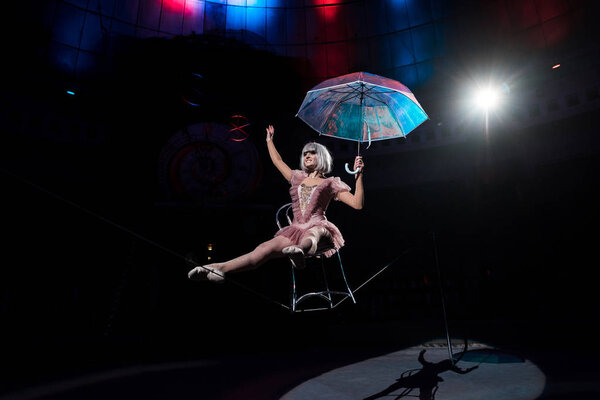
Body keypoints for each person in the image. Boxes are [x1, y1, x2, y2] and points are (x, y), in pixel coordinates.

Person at [187, 125, 364, 282]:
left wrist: (359, 175)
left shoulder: (331, 183)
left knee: (313, 233)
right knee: (264, 249)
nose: (307, 155)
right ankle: (219, 268)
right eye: (305, 153)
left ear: (323, 157)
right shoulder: (297, 178)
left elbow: (357, 204)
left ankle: (298, 253)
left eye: (312, 152)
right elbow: (278, 161)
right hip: (295, 228)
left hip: (319, 230)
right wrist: (269, 141)